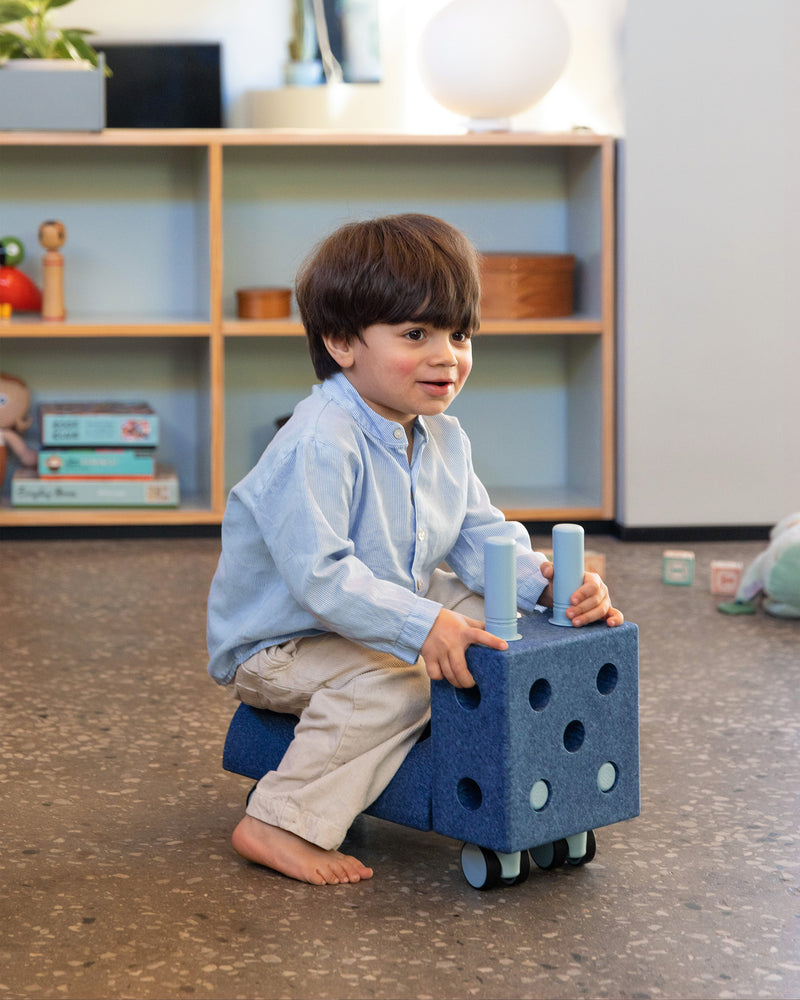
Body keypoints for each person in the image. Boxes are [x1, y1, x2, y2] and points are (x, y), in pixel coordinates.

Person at [206, 213, 623, 886]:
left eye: (459, 334)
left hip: (379, 608)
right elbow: (322, 579)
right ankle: (279, 820)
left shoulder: (442, 436)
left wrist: (545, 585)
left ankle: (519, 773)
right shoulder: (319, 441)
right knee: (399, 676)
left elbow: (480, 534)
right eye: (415, 334)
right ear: (342, 342)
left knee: (498, 621)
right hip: (283, 642)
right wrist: (423, 626)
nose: (446, 355)